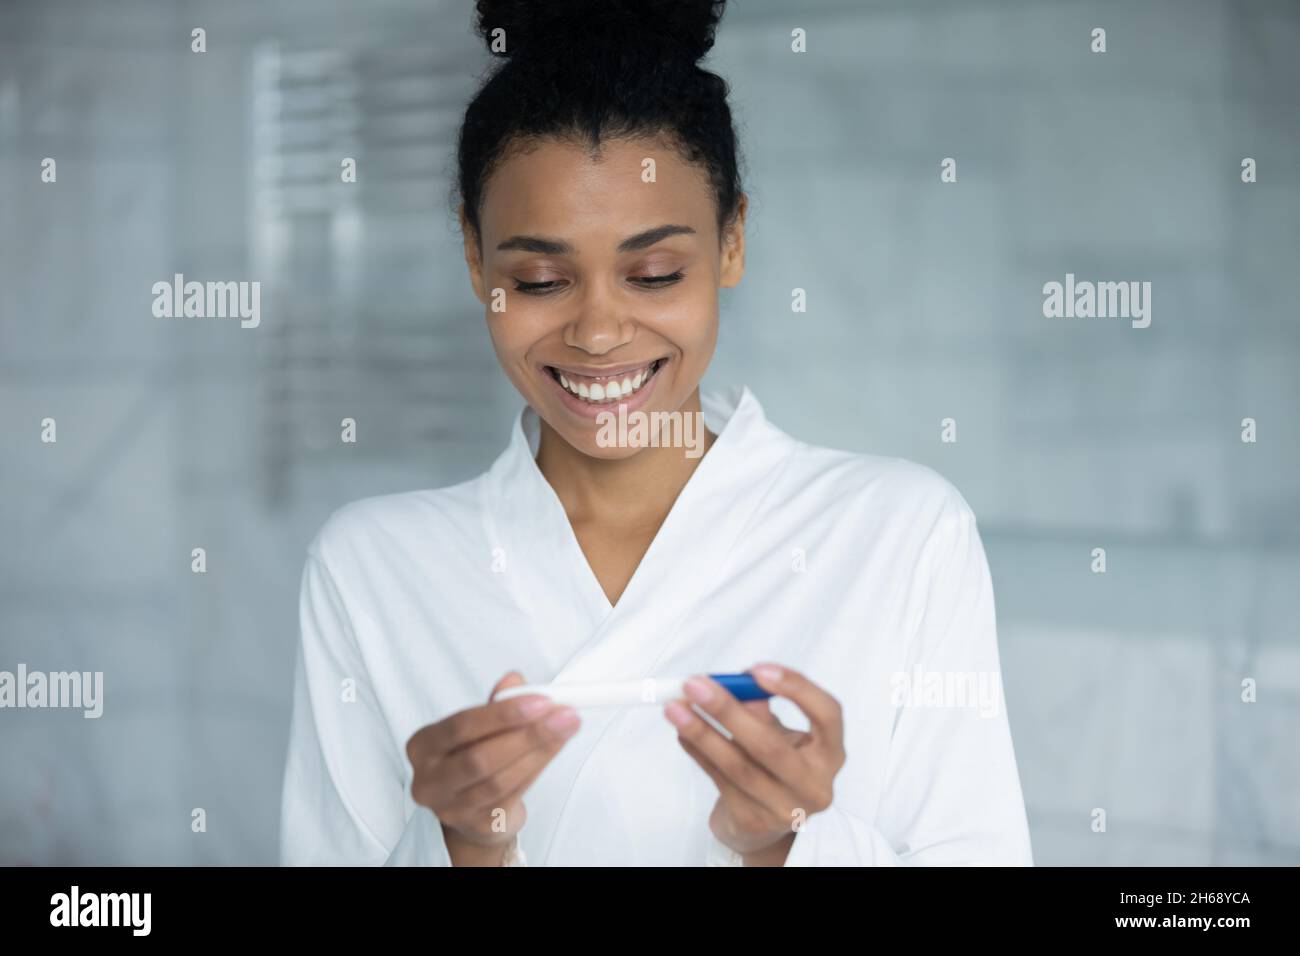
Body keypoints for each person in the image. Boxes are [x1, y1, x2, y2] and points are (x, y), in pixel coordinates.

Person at [279, 0, 1033, 867]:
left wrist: (782, 846)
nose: (599, 333)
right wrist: (460, 841)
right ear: (475, 260)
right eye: (537, 280)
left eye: (654, 273)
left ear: (733, 241)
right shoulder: (374, 568)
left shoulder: (900, 535)